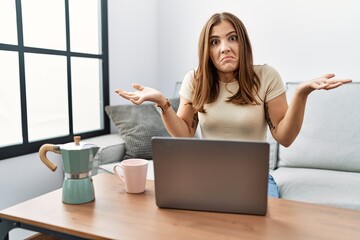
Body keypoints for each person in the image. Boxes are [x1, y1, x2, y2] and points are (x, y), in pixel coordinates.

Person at [115, 12, 352, 197]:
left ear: (243, 43)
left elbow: (285, 138)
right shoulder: (195, 80)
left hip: (255, 177)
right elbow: (184, 134)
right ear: (207, 51)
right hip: (206, 174)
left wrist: (301, 93)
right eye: (215, 42)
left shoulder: (266, 76)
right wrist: (162, 103)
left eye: (232, 38)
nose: (225, 47)